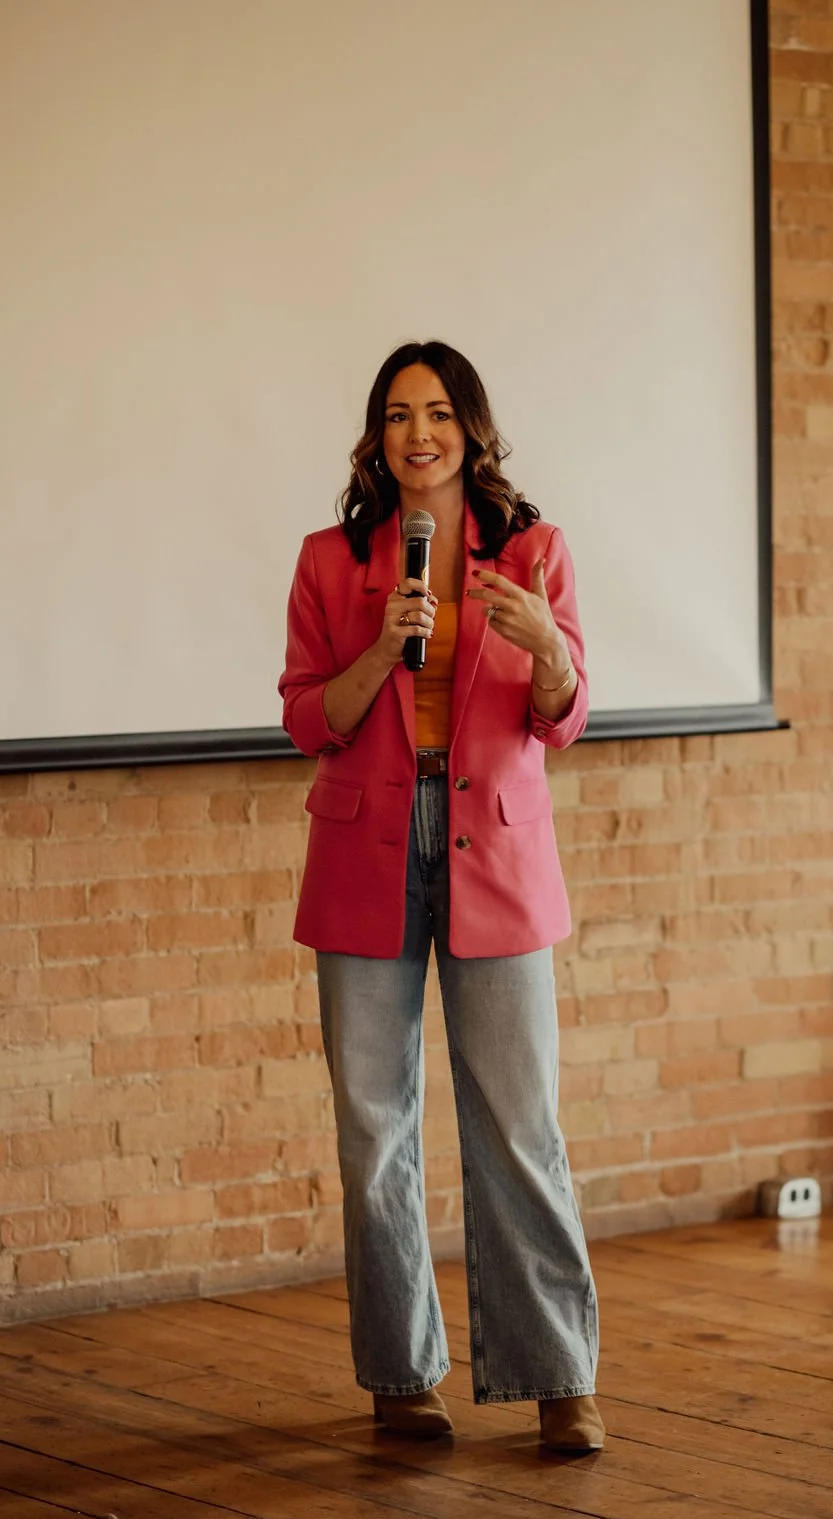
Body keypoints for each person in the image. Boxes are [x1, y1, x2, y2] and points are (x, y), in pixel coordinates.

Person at [278, 339, 603, 1454]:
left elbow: (563, 716)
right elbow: (308, 718)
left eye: (438, 414)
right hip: (364, 849)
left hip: (493, 851)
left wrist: (548, 648)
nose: (418, 434)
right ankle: (401, 1374)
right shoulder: (331, 561)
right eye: (397, 415)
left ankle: (559, 1379)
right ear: (377, 438)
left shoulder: (533, 552)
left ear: (471, 429)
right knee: (375, 1130)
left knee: (519, 1123)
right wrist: (381, 651)